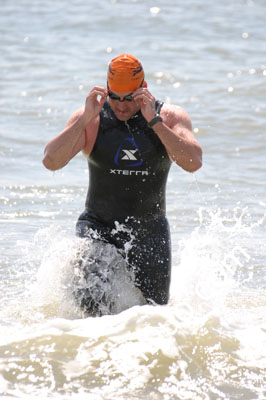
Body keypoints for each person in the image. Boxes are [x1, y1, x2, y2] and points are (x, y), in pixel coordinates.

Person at [43, 53, 202, 316]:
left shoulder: (170, 117)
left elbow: (194, 161)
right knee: (90, 311)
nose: (121, 106)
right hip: (98, 229)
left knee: (155, 317)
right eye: (114, 96)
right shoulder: (91, 119)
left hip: (149, 234)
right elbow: (50, 161)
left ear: (144, 89)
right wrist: (83, 119)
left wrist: (155, 122)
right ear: (106, 90)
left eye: (129, 98)